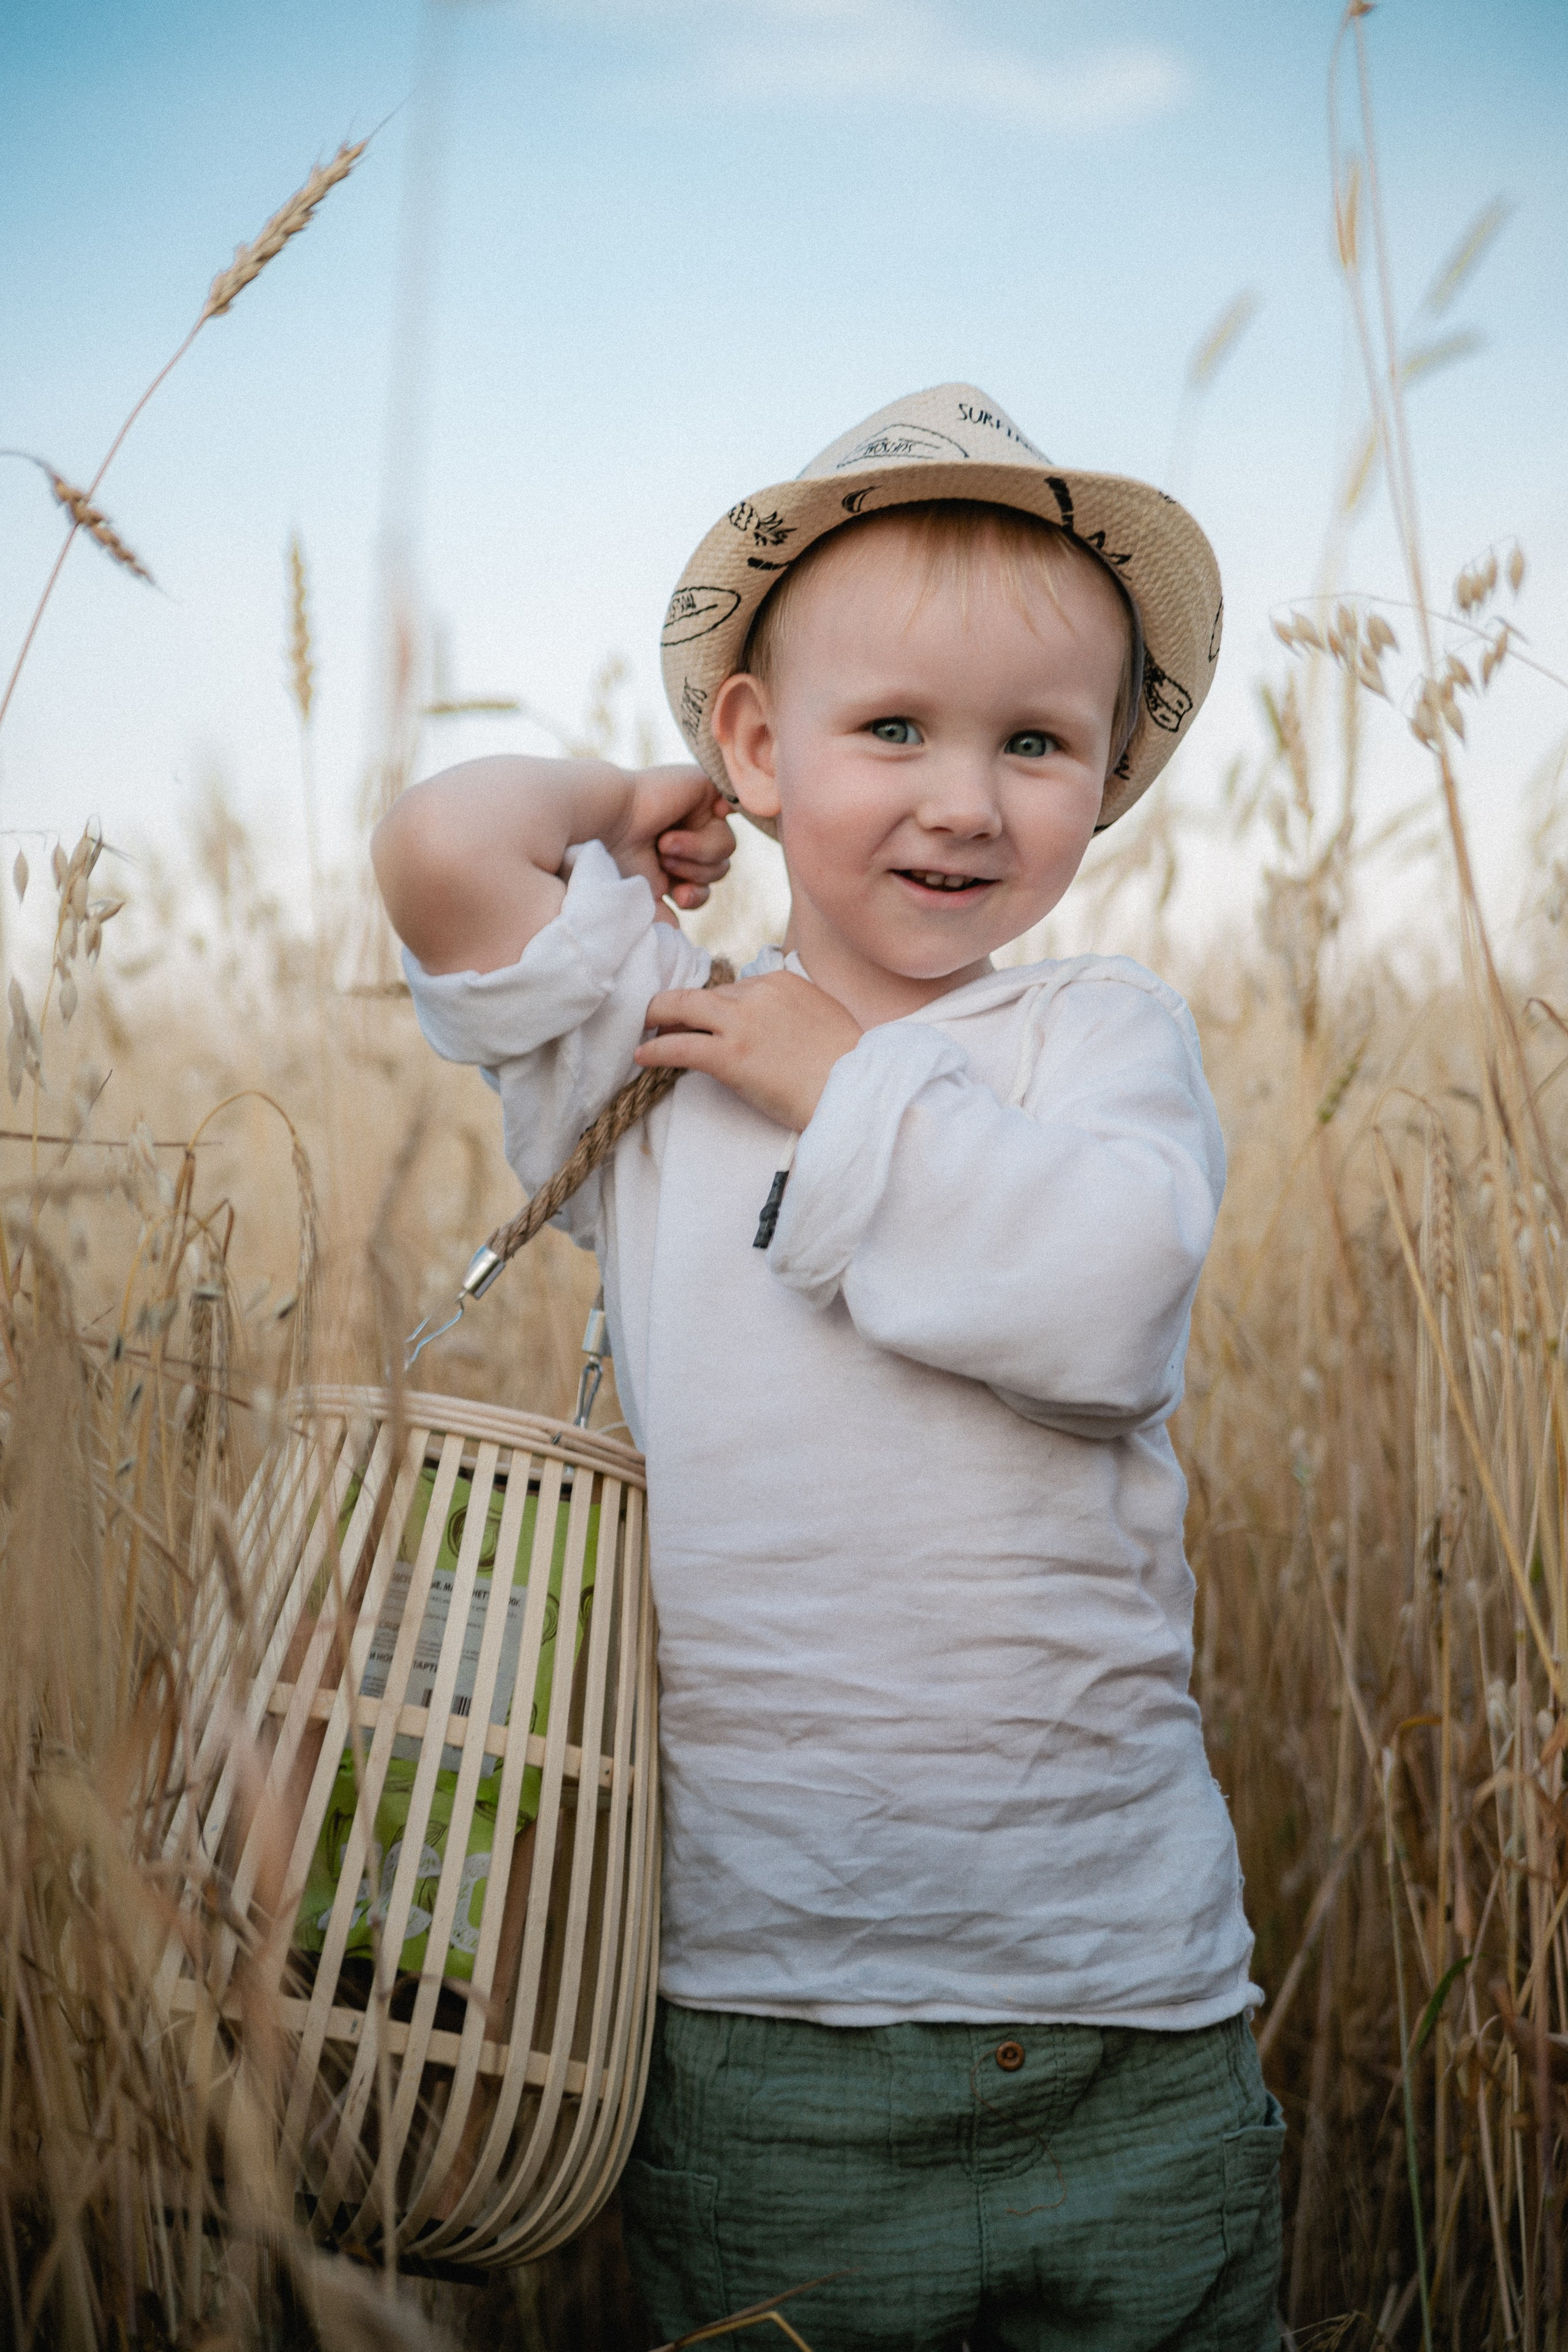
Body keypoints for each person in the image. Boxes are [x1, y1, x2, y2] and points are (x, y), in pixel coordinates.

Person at [372, 384, 1284, 2351]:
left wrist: (847, 1081)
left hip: (1115, 2000)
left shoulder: (1094, 1038)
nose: (965, 799)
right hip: (760, 2006)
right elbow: (445, 849)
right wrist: (625, 804)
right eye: (892, 731)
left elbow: (1108, 1301)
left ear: (1105, 782)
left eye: (1034, 745)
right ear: (761, 748)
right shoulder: (665, 1034)